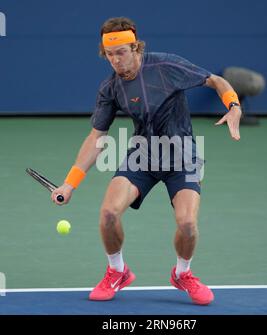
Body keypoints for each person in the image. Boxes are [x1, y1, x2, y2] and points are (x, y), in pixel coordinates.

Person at [51, 17, 242, 305]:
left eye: (121, 52)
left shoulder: (166, 66)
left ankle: (183, 274)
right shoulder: (111, 88)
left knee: (188, 223)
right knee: (108, 213)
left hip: (182, 155)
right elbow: (97, 137)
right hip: (143, 155)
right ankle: (117, 271)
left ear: (135, 46)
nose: (116, 60)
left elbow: (215, 81)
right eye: (110, 55)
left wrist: (233, 105)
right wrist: (70, 183)